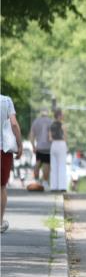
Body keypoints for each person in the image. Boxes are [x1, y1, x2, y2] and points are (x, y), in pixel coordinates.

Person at [1, 94, 25, 233]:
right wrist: (19, 144)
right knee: (2, 186)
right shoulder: (6, 101)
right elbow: (14, 124)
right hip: (3, 150)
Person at [29, 108, 53, 187]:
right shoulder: (51, 121)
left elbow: (32, 135)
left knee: (38, 163)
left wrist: (33, 146)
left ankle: (36, 180)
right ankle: (45, 182)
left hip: (39, 146)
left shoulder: (36, 122)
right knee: (46, 164)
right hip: (48, 146)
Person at [48, 109, 69, 192]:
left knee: (53, 166)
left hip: (53, 145)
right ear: (59, 116)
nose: (63, 116)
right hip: (61, 144)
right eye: (62, 114)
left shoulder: (51, 125)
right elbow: (65, 137)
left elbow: (49, 138)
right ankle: (62, 187)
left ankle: (53, 187)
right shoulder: (63, 125)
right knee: (62, 166)